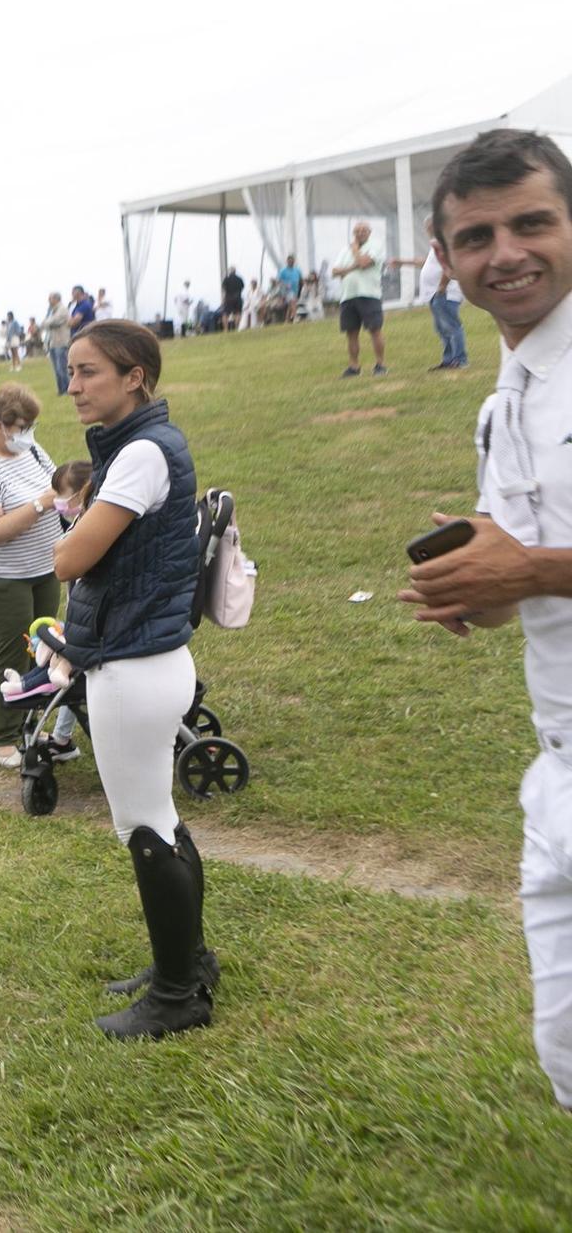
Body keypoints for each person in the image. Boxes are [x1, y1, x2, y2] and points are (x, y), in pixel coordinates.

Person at [401, 128, 572, 1108]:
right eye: (474, 235)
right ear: (444, 256)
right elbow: (525, 578)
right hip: (551, 773)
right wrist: (480, 582)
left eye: (530, 222)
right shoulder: (499, 401)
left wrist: (529, 565)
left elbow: (539, 565)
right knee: (561, 1057)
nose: (502, 252)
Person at [53, 321, 215, 1040]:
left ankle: (177, 997)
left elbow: (70, 558)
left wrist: (66, 530)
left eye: (88, 371)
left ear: (135, 377)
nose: (74, 386)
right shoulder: (141, 447)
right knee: (163, 818)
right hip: (150, 659)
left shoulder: (143, 452)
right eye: (71, 371)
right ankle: (189, 962)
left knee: (145, 828)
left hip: (133, 666)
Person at [0, 383, 77, 769]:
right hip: (1, 576)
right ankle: (6, 738)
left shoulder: (33, 450)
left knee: (44, 647)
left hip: (43, 568)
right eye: (21, 427)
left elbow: (56, 483)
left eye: (31, 426)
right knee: (13, 649)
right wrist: (42, 503)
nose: (28, 434)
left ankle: (33, 723)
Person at [392, 214, 471, 371]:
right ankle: (449, 360)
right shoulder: (436, 245)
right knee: (442, 329)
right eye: (427, 226)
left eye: (430, 225)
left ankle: (460, 359)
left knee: (451, 326)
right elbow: (425, 262)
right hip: (435, 294)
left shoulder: (444, 242)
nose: (428, 228)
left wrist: (442, 286)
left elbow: (450, 264)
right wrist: (402, 262)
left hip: (445, 293)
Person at [333, 220, 389, 376]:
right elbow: (334, 271)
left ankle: (380, 364)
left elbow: (364, 263)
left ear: (369, 232)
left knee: (375, 329)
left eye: (364, 230)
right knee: (351, 332)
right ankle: (354, 366)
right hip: (348, 296)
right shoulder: (345, 250)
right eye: (357, 231)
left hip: (368, 294)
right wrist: (352, 266)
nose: (360, 233)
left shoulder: (376, 246)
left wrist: (356, 250)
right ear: (353, 233)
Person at [43, 291, 73, 396]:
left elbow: (53, 321)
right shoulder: (51, 311)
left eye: (50, 298)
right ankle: (61, 390)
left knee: (62, 368)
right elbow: (45, 322)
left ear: (56, 299)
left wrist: (48, 322)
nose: (48, 301)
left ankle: (68, 389)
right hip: (53, 343)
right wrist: (48, 322)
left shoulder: (62, 309)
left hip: (61, 342)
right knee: (56, 369)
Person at [220, 267, 244, 331]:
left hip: (228, 298)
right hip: (238, 298)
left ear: (229, 272)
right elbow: (242, 288)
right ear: (235, 271)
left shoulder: (226, 279)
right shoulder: (240, 279)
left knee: (225, 314)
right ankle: (237, 328)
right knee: (238, 313)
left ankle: (226, 329)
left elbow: (223, 288)